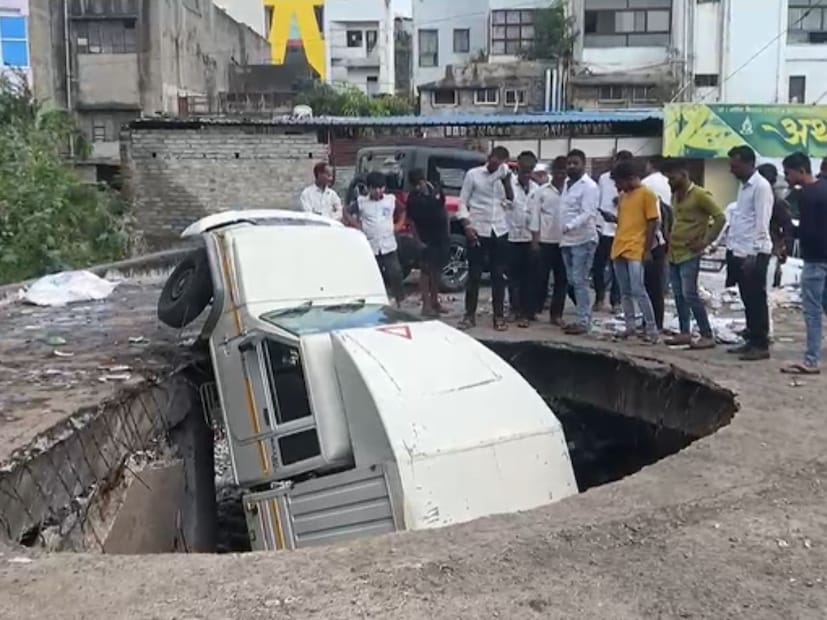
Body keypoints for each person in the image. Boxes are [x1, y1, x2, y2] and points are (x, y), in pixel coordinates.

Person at [662, 158, 726, 349]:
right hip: (674, 251)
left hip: (690, 252)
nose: (669, 182)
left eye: (672, 178)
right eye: (668, 179)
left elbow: (720, 218)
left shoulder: (699, 195)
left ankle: (707, 334)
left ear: (684, 174)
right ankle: (684, 333)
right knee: (679, 295)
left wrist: (706, 241)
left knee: (690, 294)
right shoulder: (675, 195)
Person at [456, 146, 514, 331]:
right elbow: (462, 202)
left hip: (499, 230)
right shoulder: (473, 175)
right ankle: (469, 315)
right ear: (489, 158)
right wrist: (467, 226)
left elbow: (511, 201)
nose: (495, 166)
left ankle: (498, 317)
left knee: (499, 275)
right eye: (494, 162)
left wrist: (506, 182)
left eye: (500, 163)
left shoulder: (505, 174)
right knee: (474, 274)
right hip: (477, 229)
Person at [726, 145, 774, 361]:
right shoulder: (744, 186)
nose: (731, 171)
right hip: (740, 250)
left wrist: (754, 254)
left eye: (735, 166)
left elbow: (762, 223)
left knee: (756, 298)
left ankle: (760, 344)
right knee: (747, 298)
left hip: (754, 253)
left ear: (747, 164)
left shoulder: (761, 187)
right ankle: (751, 339)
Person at [781, 152, 827, 374]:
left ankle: (811, 360)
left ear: (800, 170)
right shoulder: (824, 188)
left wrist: (789, 228)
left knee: (812, 311)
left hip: (815, 260)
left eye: (788, 173)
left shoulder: (807, 194)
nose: (786, 177)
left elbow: (808, 231)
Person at [609, 161, 661, 344]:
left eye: (618, 182)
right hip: (619, 246)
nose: (617, 186)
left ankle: (652, 328)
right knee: (625, 291)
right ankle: (630, 326)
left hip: (636, 247)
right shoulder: (624, 197)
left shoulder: (647, 194)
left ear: (629, 178)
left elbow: (652, 223)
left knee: (639, 290)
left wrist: (647, 250)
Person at [344, 171, 405, 306]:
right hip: (370, 245)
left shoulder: (391, 200)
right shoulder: (362, 202)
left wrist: (398, 225)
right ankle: (373, 301)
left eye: (380, 187)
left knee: (395, 273)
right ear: (368, 188)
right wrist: (357, 225)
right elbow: (347, 212)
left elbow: (402, 211)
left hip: (388, 244)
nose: (378, 191)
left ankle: (399, 301)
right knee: (372, 275)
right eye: (374, 188)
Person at [560, 149, 600, 335]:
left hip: (583, 239)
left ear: (583, 164)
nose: (571, 166)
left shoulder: (589, 186)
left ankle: (584, 321)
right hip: (566, 241)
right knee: (572, 280)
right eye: (569, 163)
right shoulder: (567, 184)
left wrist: (569, 225)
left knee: (580, 281)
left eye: (575, 163)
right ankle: (583, 315)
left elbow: (588, 212)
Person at [530, 156, 569, 325]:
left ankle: (556, 315)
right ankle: (536, 310)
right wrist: (535, 240)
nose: (560, 175)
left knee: (562, 280)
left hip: (566, 242)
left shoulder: (571, 191)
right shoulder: (542, 191)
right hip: (545, 241)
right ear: (552, 173)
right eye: (558, 171)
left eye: (563, 172)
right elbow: (535, 217)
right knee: (540, 279)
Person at [406, 168, 449, 318]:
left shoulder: (433, 190)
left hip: (440, 236)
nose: (419, 186)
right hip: (425, 238)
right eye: (415, 184)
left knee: (437, 271)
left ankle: (435, 301)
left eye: (420, 183)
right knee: (425, 272)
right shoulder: (412, 198)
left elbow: (443, 208)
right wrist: (417, 240)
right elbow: (410, 221)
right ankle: (426, 305)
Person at [594, 151, 631, 314]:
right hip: (603, 229)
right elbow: (598, 200)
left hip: (621, 230)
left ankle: (615, 301)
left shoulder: (632, 182)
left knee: (618, 268)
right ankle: (599, 298)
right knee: (598, 266)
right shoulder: (603, 178)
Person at [506, 152, 540, 327]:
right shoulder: (507, 185)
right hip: (512, 237)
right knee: (513, 277)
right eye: (524, 171)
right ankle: (513, 309)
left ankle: (527, 312)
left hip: (529, 237)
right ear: (517, 167)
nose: (527, 174)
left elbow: (537, 215)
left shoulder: (537, 188)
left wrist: (536, 240)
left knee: (529, 277)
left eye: (530, 171)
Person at [641, 155, 672, 332]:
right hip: (665, 235)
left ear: (649, 164)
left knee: (649, 285)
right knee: (657, 282)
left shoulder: (646, 185)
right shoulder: (667, 182)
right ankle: (654, 322)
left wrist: (646, 248)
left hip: (652, 240)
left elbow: (653, 219)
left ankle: (652, 323)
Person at [756, 163, 794, 289]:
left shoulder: (778, 203)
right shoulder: (753, 198)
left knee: (767, 287)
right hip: (755, 249)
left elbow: (788, 228)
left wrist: (783, 248)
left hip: (771, 250)